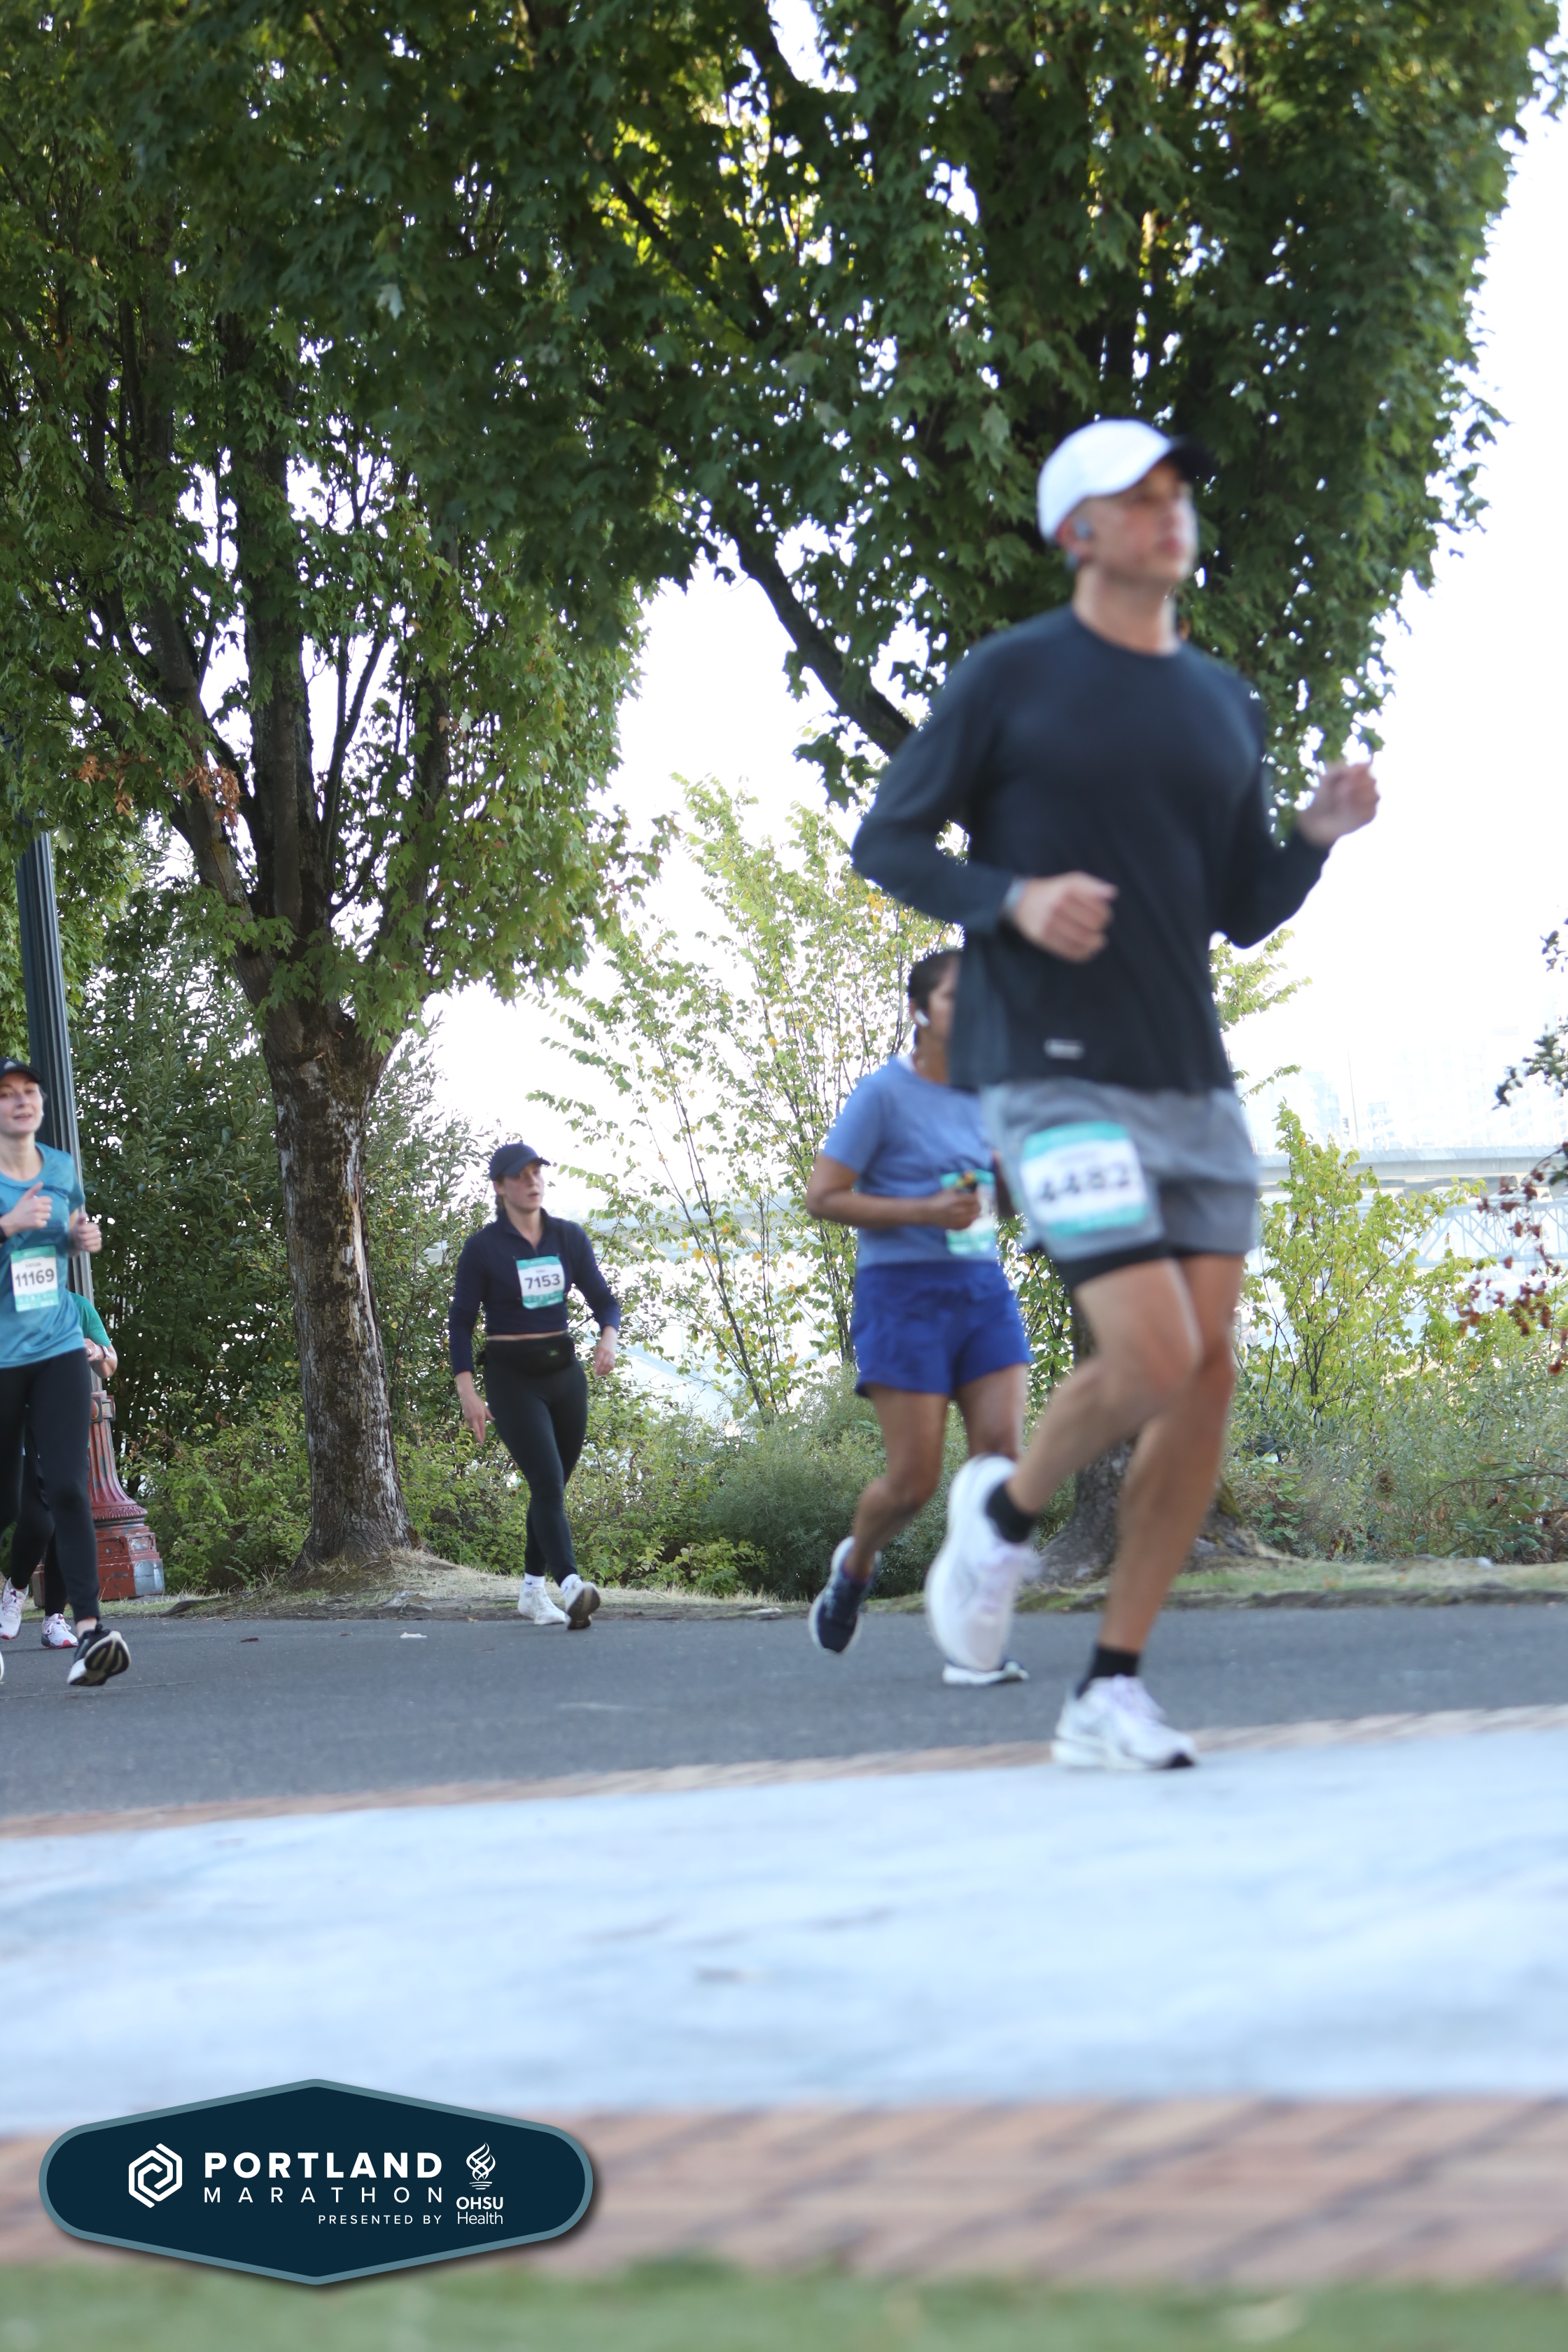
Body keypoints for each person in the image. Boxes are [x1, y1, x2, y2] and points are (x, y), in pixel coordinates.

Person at [852, 416, 1378, 1768]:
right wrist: (1012, 899)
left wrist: (1314, 837)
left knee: (1205, 1378)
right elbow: (889, 840)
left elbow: (1241, 906)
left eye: (1179, 491)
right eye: (1139, 496)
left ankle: (1111, 1689)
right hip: (1050, 1072)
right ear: (1076, 530)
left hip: (1190, 1078)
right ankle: (1005, 1520)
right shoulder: (1011, 677)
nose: (1170, 512)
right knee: (1150, 1356)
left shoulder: (1224, 701)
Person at [804, 948, 1032, 1683]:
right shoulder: (882, 1094)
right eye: (957, 996)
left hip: (980, 1289)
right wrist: (924, 1210)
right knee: (913, 1484)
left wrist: (1010, 1176)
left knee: (1001, 1462)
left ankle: (974, 1632)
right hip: (900, 1296)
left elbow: (1002, 1198)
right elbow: (822, 1195)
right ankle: (855, 1567)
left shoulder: (986, 1092)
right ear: (919, 1010)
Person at [448, 1143, 620, 1628]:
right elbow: (460, 1322)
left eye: (537, 1172)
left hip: (565, 1378)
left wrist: (608, 1340)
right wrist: (468, 1392)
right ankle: (571, 1586)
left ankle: (531, 1591)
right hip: (512, 1380)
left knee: (552, 1487)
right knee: (545, 1480)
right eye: (520, 1176)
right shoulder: (484, 1248)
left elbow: (605, 1301)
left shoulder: (568, 1237)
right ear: (500, 1187)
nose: (532, 1182)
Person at [0, 1056, 129, 1686]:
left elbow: (69, 1234)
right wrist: (7, 1225)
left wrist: (82, 1240)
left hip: (56, 1347)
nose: (21, 1100)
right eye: (6, 1093)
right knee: (6, 1501)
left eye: (29, 1090)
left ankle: (89, 1632)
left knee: (70, 1490)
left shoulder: (61, 1169)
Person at [0, 1292, 118, 1651]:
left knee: (66, 1516)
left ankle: (54, 1618)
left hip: (64, 1421)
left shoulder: (78, 1307)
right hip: (19, 1422)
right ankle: (16, 1588)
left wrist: (96, 1351)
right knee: (38, 1521)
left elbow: (109, 1365)